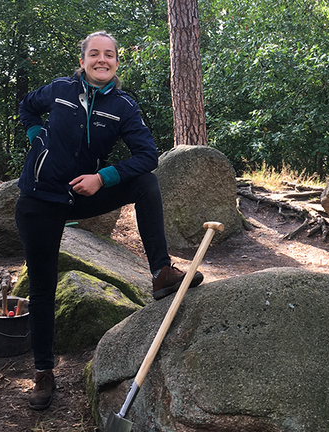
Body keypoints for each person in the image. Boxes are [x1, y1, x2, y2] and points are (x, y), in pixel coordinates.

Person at [15, 30, 202, 410]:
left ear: (117, 62)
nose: (102, 60)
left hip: (82, 194)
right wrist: (37, 139)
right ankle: (43, 372)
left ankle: (161, 272)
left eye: (109, 55)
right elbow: (27, 107)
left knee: (146, 184)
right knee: (43, 288)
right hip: (39, 199)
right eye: (94, 54)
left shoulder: (122, 106)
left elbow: (147, 155)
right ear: (82, 60)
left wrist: (104, 178)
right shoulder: (60, 89)